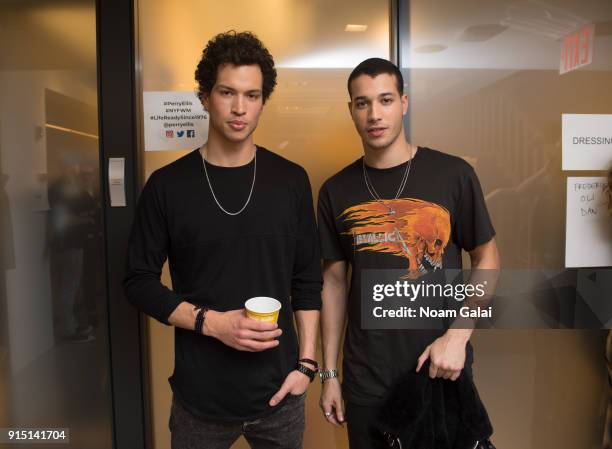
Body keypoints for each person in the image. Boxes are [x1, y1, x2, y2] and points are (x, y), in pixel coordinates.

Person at [124, 31, 321, 449]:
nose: (239, 108)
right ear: (205, 96)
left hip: (281, 396)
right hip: (199, 401)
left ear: (263, 100)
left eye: (252, 95)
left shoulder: (291, 180)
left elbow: (307, 282)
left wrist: (306, 366)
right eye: (227, 92)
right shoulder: (166, 186)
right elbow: (138, 281)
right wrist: (213, 324)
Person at [317, 58, 500, 448]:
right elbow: (333, 284)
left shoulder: (453, 174)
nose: (374, 113)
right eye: (362, 103)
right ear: (350, 110)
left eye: (385, 99)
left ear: (404, 102)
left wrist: (459, 336)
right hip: (368, 381)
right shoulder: (336, 191)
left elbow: (488, 259)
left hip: (440, 372)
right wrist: (330, 374)